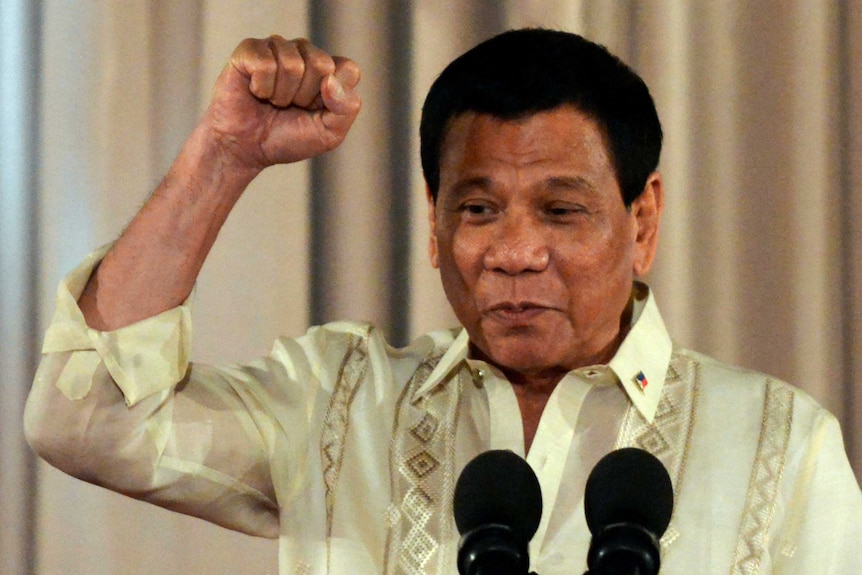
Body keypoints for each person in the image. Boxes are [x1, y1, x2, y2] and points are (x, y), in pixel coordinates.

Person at [24, 28, 862, 575]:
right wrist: (222, 157)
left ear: (642, 221)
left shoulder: (782, 447)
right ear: (433, 227)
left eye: (562, 211)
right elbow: (86, 415)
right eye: (478, 208)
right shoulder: (337, 404)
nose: (515, 252)